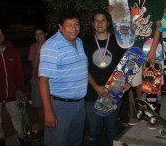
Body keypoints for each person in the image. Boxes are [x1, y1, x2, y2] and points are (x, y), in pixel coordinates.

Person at [38, 10, 88, 146]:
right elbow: (43, 80)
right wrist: (48, 112)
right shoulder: (51, 46)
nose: (74, 28)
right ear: (60, 27)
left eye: (76, 24)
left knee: (75, 142)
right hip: (60, 107)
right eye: (69, 25)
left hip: (79, 105)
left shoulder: (79, 42)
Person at [125, 0, 166, 129]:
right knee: (136, 84)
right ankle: (140, 112)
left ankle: (152, 115)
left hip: (150, 47)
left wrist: (154, 50)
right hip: (133, 48)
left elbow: (158, 26)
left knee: (151, 84)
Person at [82, 9, 127, 146]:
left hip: (113, 93)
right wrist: (96, 87)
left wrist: (126, 83)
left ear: (108, 23)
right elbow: (82, 67)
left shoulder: (118, 41)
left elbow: (125, 66)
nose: (100, 23)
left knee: (111, 131)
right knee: (94, 133)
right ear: (92, 23)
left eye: (103, 20)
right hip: (91, 94)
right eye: (96, 20)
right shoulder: (85, 42)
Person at [0, 28, 25, 146]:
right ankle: (0, 139)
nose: (0, 37)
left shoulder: (14, 52)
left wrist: (20, 89)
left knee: (17, 117)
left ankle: (22, 137)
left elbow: (19, 72)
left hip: (12, 93)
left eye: (1, 35)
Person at [28, 27, 48, 133]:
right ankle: (42, 130)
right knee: (39, 107)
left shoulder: (51, 45)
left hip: (51, 81)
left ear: (45, 34)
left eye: (41, 33)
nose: (39, 36)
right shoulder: (33, 47)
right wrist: (38, 49)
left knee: (52, 105)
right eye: (36, 34)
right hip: (37, 80)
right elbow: (34, 65)